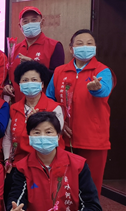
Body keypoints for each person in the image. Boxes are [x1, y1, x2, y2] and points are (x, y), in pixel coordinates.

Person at [46, 29, 115, 195]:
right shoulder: (59, 71)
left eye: (89, 43)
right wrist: (59, 123)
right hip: (64, 139)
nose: (85, 46)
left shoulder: (102, 71)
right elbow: (49, 100)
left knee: (90, 187)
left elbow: (104, 90)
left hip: (93, 140)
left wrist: (96, 88)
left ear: (95, 47)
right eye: (80, 43)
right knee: (64, 187)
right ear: (71, 48)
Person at [4, 61, 64, 166]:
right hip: (19, 163)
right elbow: (8, 138)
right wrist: (7, 160)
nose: (29, 83)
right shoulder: (14, 108)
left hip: (47, 163)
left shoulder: (54, 108)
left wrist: (34, 123)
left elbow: (55, 139)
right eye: (25, 80)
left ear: (42, 84)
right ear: (19, 85)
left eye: (34, 80)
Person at [5, 7, 65, 101]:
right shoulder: (14, 49)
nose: (30, 24)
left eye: (34, 20)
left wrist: (35, 65)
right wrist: (7, 85)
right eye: (25, 21)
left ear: (42, 22)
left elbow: (58, 78)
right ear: (20, 26)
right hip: (18, 104)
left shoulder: (54, 46)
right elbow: (9, 75)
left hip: (44, 104)